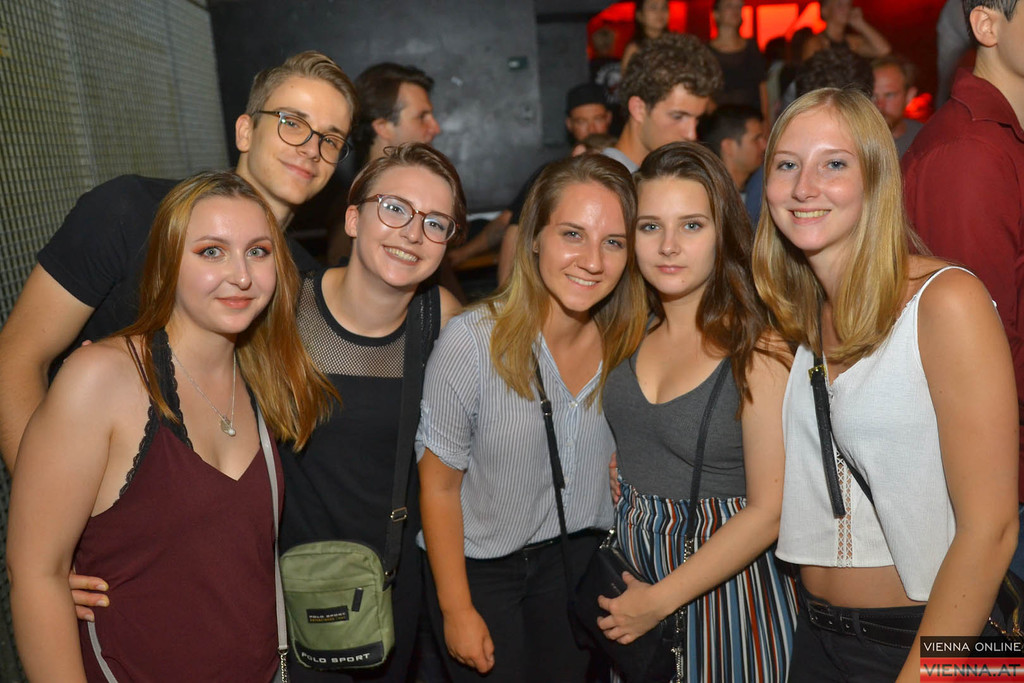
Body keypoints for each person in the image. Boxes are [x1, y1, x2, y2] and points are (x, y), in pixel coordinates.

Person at [7, 171, 336, 681]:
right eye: (211, 252)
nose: (241, 275)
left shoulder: (262, 381)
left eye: (258, 251)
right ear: (168, 262)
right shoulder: (102, 379)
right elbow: (35, 574)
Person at [753, 88, 1018, 682]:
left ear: (876, 179)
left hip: (933, 640)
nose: (804, 187)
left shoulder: (945, 301)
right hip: (818, 637)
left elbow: (993, 529)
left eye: (834, 164)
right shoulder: (801, 316)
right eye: (787, 164)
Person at [0, 50, 357, 472]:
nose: (311, 148)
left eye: (330, 139)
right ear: (245, 131)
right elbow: (17, 359)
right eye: (292, 123)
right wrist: (48, 497)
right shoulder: (129, 212)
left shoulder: (304, 280)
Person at [417, 153, 646, 682]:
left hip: (581, 564)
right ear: (535, 238)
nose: (593, 260)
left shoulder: (631, 344)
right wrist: (456, 609)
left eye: (614, 242)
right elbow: (438, 488)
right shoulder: (472, 342)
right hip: (482, 574)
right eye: (573, 234)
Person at [596, 142, 797, 681]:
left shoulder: (758, 349)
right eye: (650, 226)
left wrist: (659, 601)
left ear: (722, 233)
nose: (668, 246)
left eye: (691, 226)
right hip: (633, 585)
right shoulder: (630, 330)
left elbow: (770, 510)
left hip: (726, 595)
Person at [279, 143, 463, 683]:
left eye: (435, 222)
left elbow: (489, 433)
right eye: (395, 208)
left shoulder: (441, 320)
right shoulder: (283, 310)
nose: (412, 233)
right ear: (353, 219)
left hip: (391, 587)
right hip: (284, 587)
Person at [902, 0, 1024, 573]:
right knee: (984, 638)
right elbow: (978, 357)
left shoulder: (1000, 140)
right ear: (986, 25)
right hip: (994, 485)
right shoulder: (971, 153)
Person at [605, 33, 724, 172]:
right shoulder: (600, 182)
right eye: (678, 117)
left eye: (697, 119)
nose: (691, 134)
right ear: (638, 109)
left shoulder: (671, 174)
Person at [708, 0, 769, 120]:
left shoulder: (751, 47)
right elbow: (705, 92)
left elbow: (762, 87)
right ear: (716, 14)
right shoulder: (706, 52)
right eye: (729, 6)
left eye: (739, 7)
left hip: (752, 118)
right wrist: (719, 121)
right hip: (720, 121)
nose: (735, 10)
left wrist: (766, 119)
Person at [697, 104, 766, 200]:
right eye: (756, 139)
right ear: (728, 147)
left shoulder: (758, 189)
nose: (764, 145)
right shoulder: (707, 200)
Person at [801, 0, 891, 60]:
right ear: (825, 10)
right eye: (840, 4)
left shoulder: (852, 42)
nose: (846, 9)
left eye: (848, 5)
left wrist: (860, 23)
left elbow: (883, 50)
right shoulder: (815, 43)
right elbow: (811, 76)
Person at [872, 54, 923, 157]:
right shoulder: (851, 140)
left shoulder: (924, 139)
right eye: (873, 96)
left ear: (909, 96)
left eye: (889, 95)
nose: (879, 104)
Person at [621, 0, 670, 72]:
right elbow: (626, 77)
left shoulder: (674, 44)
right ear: (639, 15)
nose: (660, 12)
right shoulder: (634, 49)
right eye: (653, 7)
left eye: (664, 7)